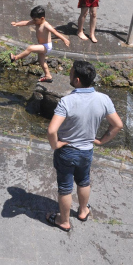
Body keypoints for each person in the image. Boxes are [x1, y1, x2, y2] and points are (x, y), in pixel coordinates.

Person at [45, 60, 124, 232]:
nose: (69, 74)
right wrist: (102, 141)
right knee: (83, 181)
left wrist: (55, 145)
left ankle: (64, 221)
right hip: (86, 151)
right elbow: (117, 125)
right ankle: (82, 211)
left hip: (66, 152)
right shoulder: (104, 99)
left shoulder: (67, 101)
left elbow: (52, 130)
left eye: (71, 72)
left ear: (77, 80)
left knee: (65, 188)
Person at [9, 5, 70, 83]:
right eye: (33, 19)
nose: (33, 21)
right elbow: (26, 23)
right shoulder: (37, 22)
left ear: (42, 18)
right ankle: (48, 75)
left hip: (46, 46)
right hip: (42, 46)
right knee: (41, 62)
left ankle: (15, 58)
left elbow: (55, 32)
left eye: (35, 20)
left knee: (30, 48)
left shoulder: (46, 25)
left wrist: (64, 39)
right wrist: (17, 24)